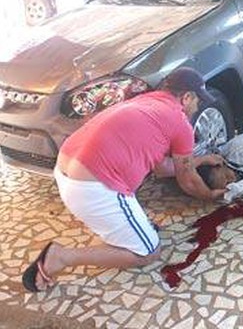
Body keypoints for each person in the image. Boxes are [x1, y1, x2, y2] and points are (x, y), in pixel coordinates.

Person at [21, 67, 227, 293]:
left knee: (137, 206)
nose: (196, 107)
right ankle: (62, 257)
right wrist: (210, 196)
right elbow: (187, 181)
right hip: (92, 188)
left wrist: (200, 159)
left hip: (65, 172)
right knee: (148, 252)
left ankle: (125, 226)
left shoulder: (145, 102)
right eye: (196, 101)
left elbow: (161, 168)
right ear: (186, 97)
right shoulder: (179, 121)